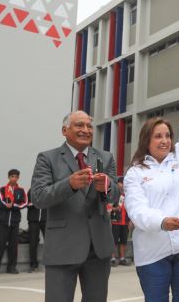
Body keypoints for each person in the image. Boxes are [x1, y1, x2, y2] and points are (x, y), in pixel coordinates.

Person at [124, 70, 179, 302]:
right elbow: (137, 211)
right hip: (152, 252)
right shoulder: (135, 173)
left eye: (167, 135)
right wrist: (162, 222)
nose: (165, 140)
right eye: (158, 136)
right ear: (146, 140)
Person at [30, 110, 120, 302]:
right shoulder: (47, 158)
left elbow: (115, 196)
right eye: (79, 125)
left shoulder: (105, 158)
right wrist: (68, 184)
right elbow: (38, 197)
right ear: (65, 130)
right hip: (62, 247)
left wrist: (107, 186)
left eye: (89, 126)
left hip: (99, 248)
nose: (86, 130)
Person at [0, 169, 28, 275]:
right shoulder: (2, 189)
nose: (14, 178)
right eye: (12, 176)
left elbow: (24, 203)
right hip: (3, 222)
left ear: (18, 178)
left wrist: (13, 205)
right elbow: (1, 203)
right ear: (9, 177)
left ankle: (11, 267)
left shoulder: (21, 190)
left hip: (15, 223)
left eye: (16, 176)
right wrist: (9, 205)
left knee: (13, 246)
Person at [108, 176, 131, 267]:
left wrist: (130, 221)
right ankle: (112, 258)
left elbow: (131, 209)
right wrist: (114, 208)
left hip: (125, 222)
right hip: (115, 221)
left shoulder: (127, 195)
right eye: (122, 183)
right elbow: (107, 207)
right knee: (114, 241)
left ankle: (122, 258)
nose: (123, 185)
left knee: (124, 241)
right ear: (118, 184)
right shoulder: (113, 194)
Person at [26, 188, 47, 273]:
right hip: (33, 220)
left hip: (46, 220)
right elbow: (26, 204)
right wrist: (35, 203)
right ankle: (33, 265)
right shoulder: (32, 190)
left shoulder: (48, 189)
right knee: (33, 242)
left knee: (49, 242)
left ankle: (50, 263)